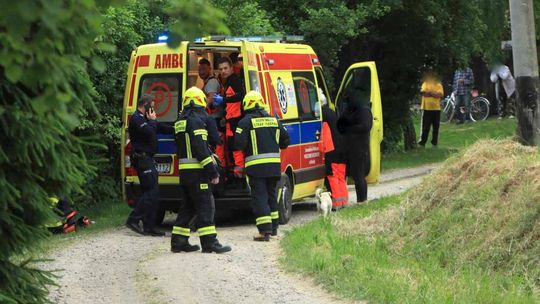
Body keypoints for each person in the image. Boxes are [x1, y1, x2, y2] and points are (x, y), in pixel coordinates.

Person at [170, 87, 231, 253]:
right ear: (200, 101)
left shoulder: (180, 121)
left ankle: (178, 242)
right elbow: (200, 149)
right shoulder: (196, 120)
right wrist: (213, 172)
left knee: (188, 207)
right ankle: (210, 243)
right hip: (198, 171)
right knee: (206, 206)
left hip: (184, 171)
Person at [234, 91, 290, 241]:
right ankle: (273, 227)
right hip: (273, 167)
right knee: (271, 195)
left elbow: (238, 144)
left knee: (260, 197)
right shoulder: (274, 120)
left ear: (247, 105)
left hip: (256, 168)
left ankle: (264, 231)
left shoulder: (245, 122)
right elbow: (285, 141)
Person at [125, 94, 173, 236]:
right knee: (152, 191)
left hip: (148, 159)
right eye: (151, 106)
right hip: (142, 159)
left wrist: (178, 128)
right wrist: (153, 121)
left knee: (152, 192)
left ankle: (149, 226)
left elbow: (160, 127)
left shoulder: (145, 119)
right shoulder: (136, 118)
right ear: (144, 105)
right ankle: (133, 219)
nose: (152, 110)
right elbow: (150, 131)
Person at [337, 98, 372, 204]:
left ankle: (362, 200)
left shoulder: (364, 111)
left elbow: (365, 127)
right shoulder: (349, 110)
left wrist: (349, 128)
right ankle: (345, 200)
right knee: (349, 174)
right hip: (348, 147)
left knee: (359, 176)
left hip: (359, 148)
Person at [319, 88, 348, 209]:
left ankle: (335, 204)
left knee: (333, 176)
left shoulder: (323, 115)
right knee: (341, 176)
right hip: (342, 148)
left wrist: (322, 150)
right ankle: (343, 202)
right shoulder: (332, 112)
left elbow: (324, 136)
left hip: (332, 150)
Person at [217, 56, 246, 180]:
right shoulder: (228, 81)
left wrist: (224, 99)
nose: (223, 71)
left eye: (225, 68)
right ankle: (233, 173)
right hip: (230, 120)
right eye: (221, 69)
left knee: (235, 147)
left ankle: (239, 174)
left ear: (231, 68)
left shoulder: (235, 80)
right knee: (230, 147)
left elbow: (241, 96)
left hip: (236, 120)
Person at [418, 71, 444, 147]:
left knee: (436, 127)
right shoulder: (425, 83)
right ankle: (422, 142)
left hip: (436, 109)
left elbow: (440, 95)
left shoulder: (438, 85)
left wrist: (430, 93)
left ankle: (434, 143)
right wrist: (433, 93)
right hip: (426, 108)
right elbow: (423, 93)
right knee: (425, 127)